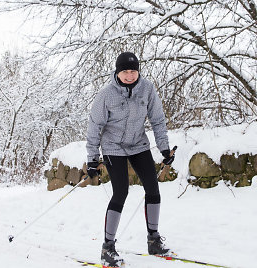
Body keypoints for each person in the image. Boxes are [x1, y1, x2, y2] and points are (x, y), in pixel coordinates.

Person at [86, 52, 175, 267]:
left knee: (153, 189)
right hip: (113, 146)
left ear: (138, 72)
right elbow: (94, 126)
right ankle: (107, 248)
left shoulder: (147, 89)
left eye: (133, 71)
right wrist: (92, 158)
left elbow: (157, 119)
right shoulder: (106, 94)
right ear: (118, 72)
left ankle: (153, 240)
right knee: (121, 192)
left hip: (138, 143)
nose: (129, 75)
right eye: (125, 71)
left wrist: (164, 148)